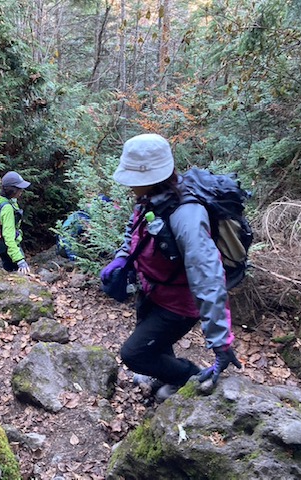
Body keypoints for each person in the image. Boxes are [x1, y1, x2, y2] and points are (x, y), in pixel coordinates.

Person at [100, 133, 241, 402]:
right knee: (157, 346)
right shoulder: (153, 197)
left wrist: (221, 342)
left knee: (134, 354)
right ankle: (168, 379)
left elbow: (208, 277)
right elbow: (135, 229)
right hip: (152, 291)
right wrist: (123, 258)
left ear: (151, 176)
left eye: (133, 178)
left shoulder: (186, 214)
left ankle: (189, 377)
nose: (129, 185)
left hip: (178, 305)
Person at [0, 171, 31, 274]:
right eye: (19, 188)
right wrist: (19, 260)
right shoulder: (7, 208)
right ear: (12, 190)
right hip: (9, 249)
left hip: (1, 246)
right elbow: (9, 237)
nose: (22, 191)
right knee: (20, 274)